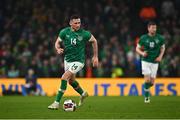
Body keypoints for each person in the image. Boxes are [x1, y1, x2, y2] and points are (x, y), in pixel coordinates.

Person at [48, 15, 99, 110]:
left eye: (79, 22)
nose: (78, 25)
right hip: (67, 60)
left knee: (64, 77)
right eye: (75, 23)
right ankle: (83, 93)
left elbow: (94, 41)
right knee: (71, 81)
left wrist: (95, 56)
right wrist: (58, 49)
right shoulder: (64, 32)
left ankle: (56, 103)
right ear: (70, 23)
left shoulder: (84, 34)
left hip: (79, 61)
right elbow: (57, 42)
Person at [136, 21, 165, 103]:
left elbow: (163, 48)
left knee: (152, 83)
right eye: (152, 28)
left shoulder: (160, 38)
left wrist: (160, 57)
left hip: (155, 62)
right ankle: (146, 98)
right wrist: (142, 53)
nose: (154, 29)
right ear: (148, 28)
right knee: (147, 80)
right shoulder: (143, 38)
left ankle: (145, 87)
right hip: (145, 61)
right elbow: (137, 49)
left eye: (155, 28)